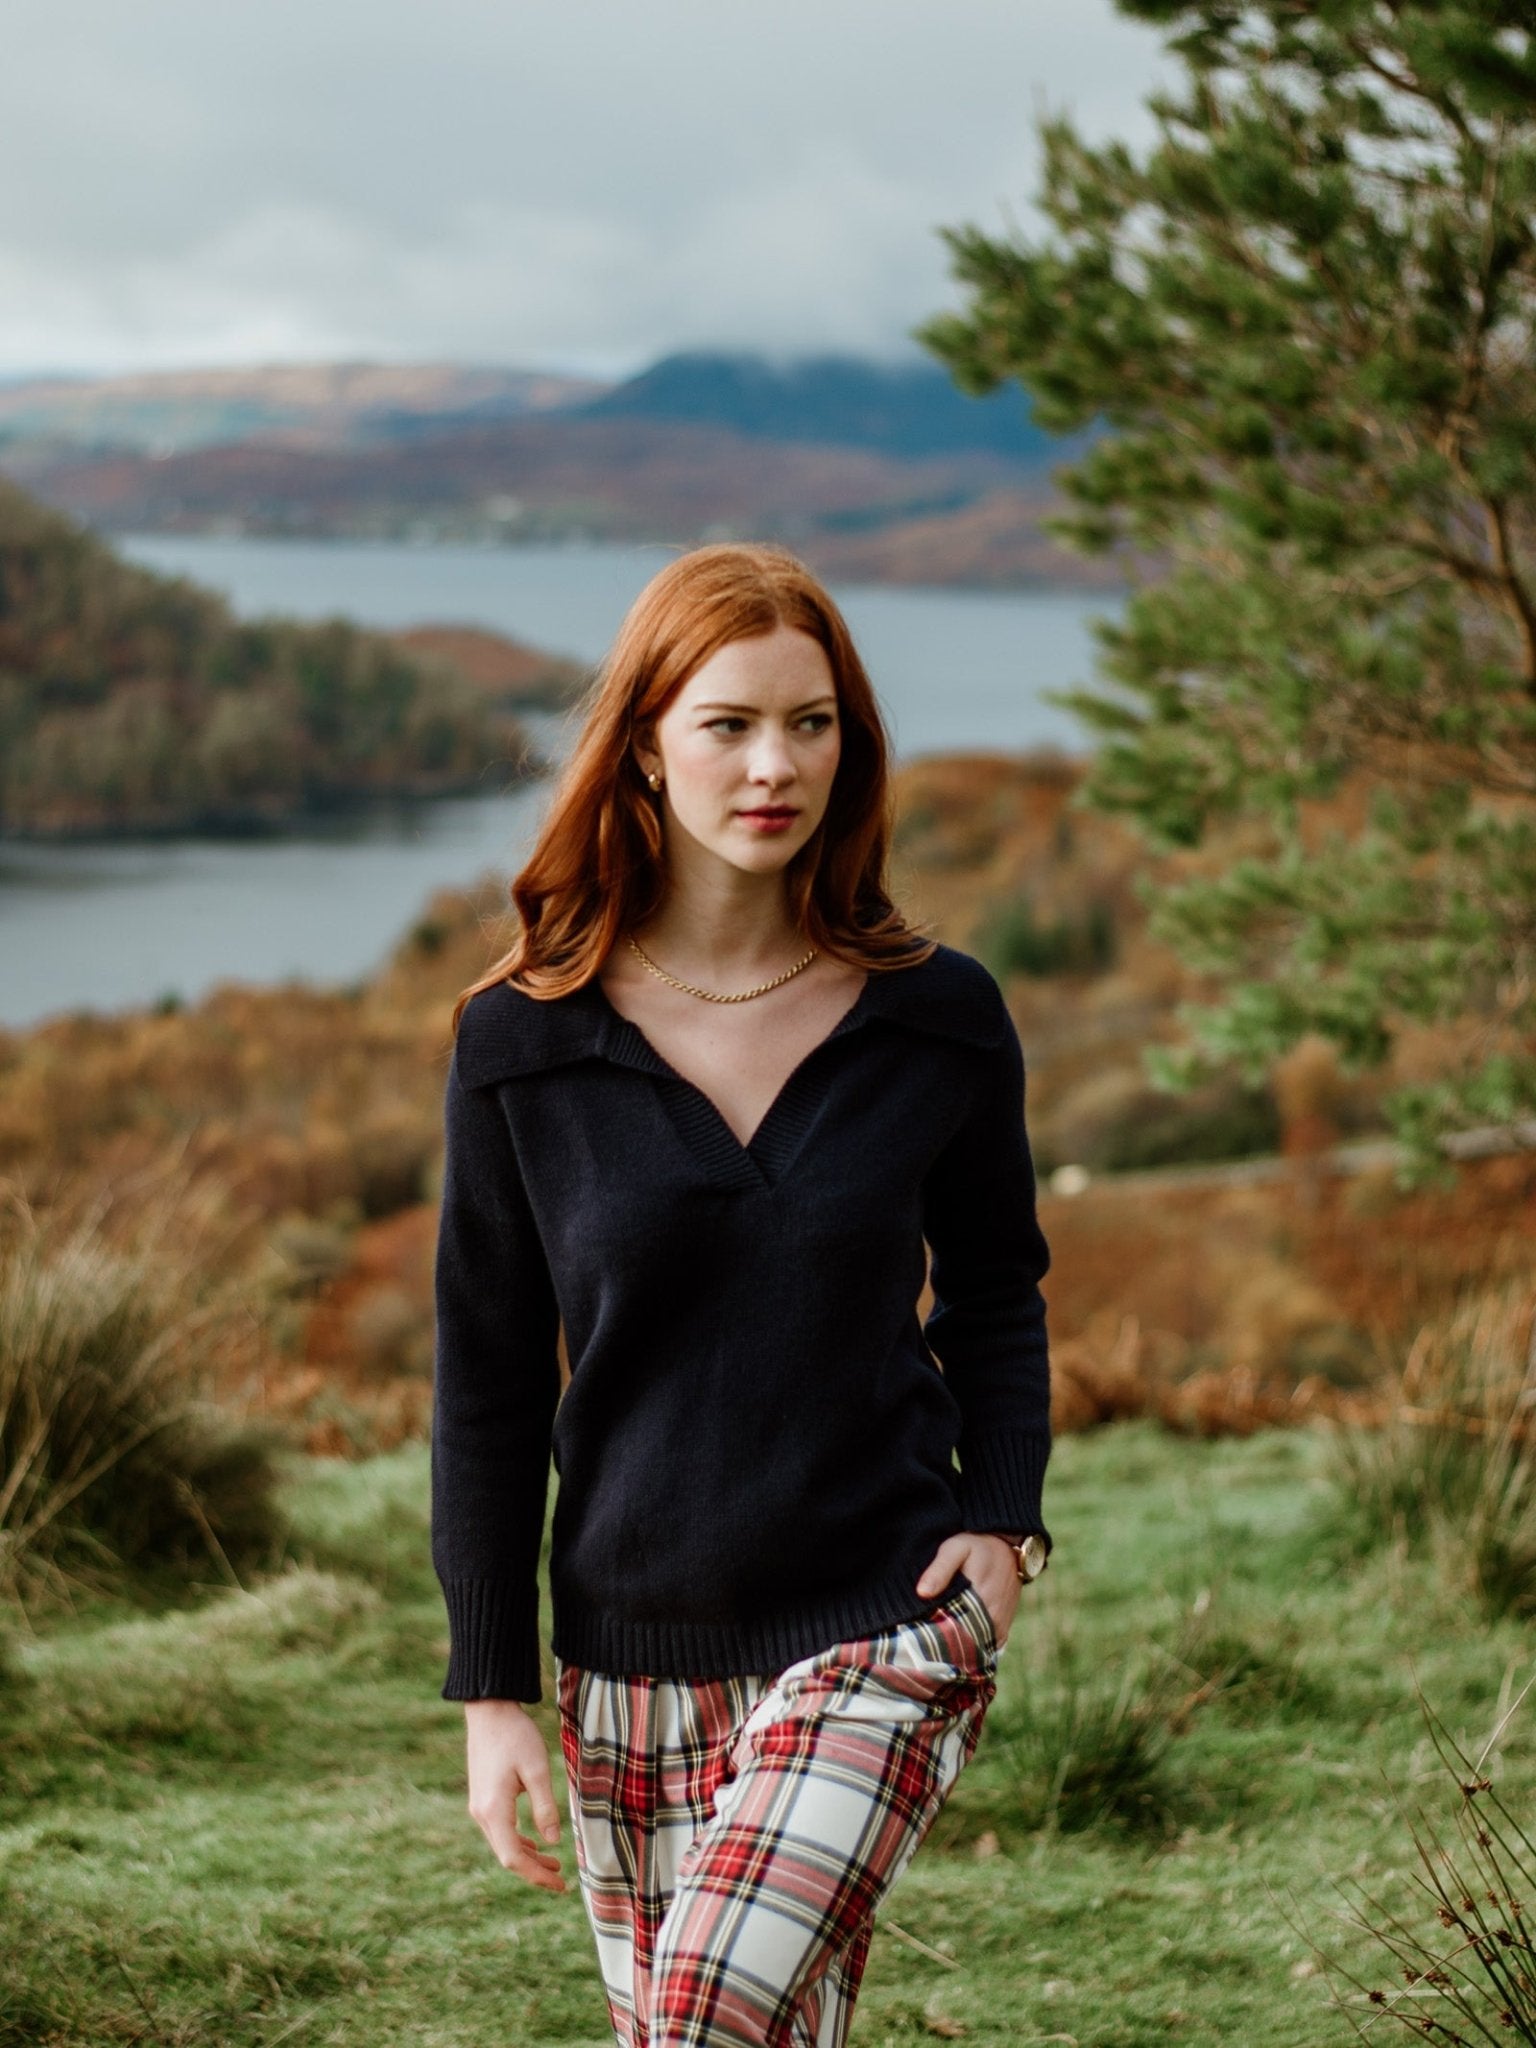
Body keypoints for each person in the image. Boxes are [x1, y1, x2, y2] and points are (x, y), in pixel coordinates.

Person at [431, 541, 1053, 2048]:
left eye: (813, 722)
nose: (777, 765)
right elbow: (492, 1378)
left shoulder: (939, 1018)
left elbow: (995, 1292)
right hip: (624, 1659)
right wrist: (492, 1692)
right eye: (728, 724)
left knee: (705, 2017)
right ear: (644, 745)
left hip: (880, 1622)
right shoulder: (522, 1042)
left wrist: (1007, 1514)